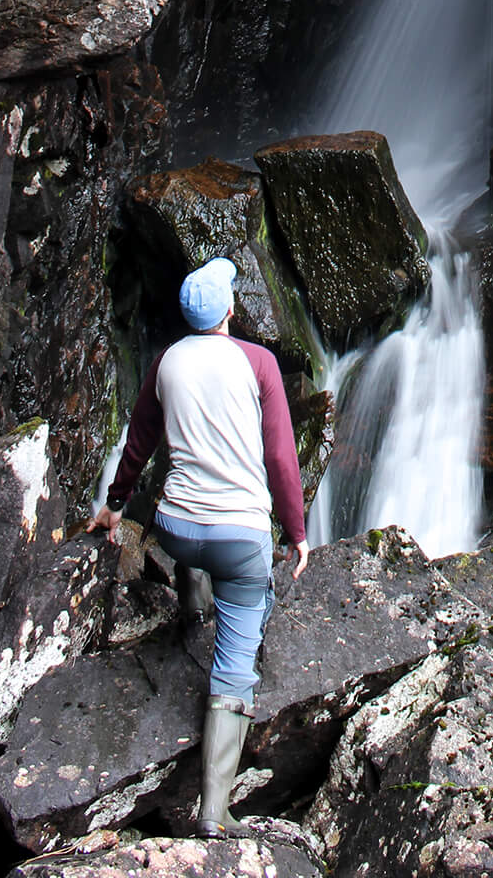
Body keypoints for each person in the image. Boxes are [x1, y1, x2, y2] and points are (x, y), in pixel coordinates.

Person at [88, 257, 308, 837]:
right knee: (235, 661)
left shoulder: (164, 362)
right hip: (238, 539)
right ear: (230, 310)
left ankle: (191, 605)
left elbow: (138, 442)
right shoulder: (258, 363)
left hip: (176, 529)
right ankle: (215, 810)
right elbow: (281, 459)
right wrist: (298, 532)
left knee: (191, 539)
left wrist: (113, 504)